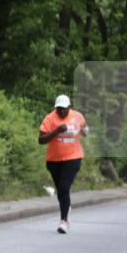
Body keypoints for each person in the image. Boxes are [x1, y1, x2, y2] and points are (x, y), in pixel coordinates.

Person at [39, 94, 89, 234]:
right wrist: (56, 131)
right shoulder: (50, 118)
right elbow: (41, 140)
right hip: (54, 160)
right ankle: (66, 207)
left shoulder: (77, 116)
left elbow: (85, 129)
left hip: (73, 157)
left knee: (63, 187)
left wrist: (85, 131)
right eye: (59, 109)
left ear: (69, 107)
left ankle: (64, 221)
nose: (61, 112)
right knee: (62, 192)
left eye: (64, 109)